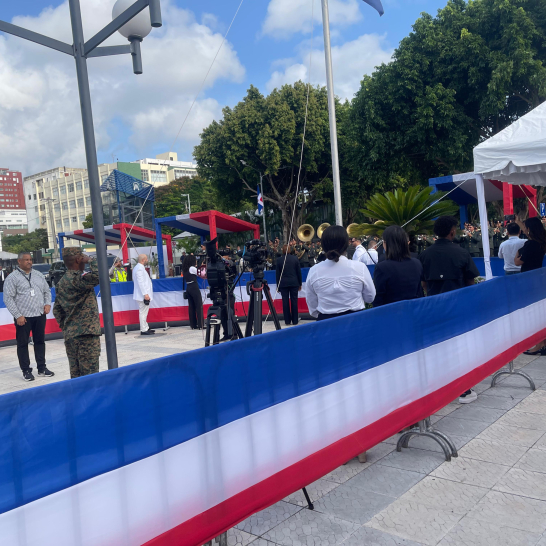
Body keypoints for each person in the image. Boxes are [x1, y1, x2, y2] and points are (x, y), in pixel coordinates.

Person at [420, 216, 480, 403]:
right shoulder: (461, 252)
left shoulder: (425, 254)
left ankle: (440, 385)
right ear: (452, 232)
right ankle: (463, 389)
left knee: (439, 346)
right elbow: (471, 281)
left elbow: (423, 282)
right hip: (458, 306)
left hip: (434, 306)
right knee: (460, 346)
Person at [3, 251, 55, 382]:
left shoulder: (38, 275)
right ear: (19, 262)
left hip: (39, 314)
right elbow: (8, 299)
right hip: (23, 317)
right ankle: (26, 370)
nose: (29, 262)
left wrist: (48, 304)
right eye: (26, 260)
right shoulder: (12, 278)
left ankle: (42, 368)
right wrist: (17, 315)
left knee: (39, 342)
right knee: (22, 344)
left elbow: (46, 291)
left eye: (30, 259)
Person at [306, 226, 375, 320]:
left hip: (326, 323)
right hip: (356, 322)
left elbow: (312, 305)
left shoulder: (314, 271)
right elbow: (370, 297)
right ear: (346, 244)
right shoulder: (360, 267)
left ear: (324, 245)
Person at [53, 248, 101, 378]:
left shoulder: (61, 282)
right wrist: (92, 260)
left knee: (76, 376)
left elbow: (57, 309)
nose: (85, 261)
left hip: (71, 335)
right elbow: (99, 275)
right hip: (87, 334)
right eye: (83, 257)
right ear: (78, 259)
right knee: (90, 376)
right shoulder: (78, 279)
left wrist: (67, 327)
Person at [373, 226, 423, 307]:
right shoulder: (417, 263)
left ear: (387, 243)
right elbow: (419, 291)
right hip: (413, 311)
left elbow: (378, 298)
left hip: (391, 313)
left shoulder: (382, 267)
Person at [276, 245, 302, 326]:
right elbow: (298, 272)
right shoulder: (295, 258)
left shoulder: (279, 260)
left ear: (282, 251)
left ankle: (287, 320)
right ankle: (295, 320)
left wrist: (278, 285)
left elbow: (277, 274)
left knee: (285, 302)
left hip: (283, 283)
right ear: (290, 250)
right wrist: (300, 283)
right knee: (294, 301)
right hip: (294, 282)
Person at [133, 254, 155, 335]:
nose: (147, 260)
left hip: (141, 294)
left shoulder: (138, 268)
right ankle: (143, 329)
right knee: (143, 312)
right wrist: (145, 294)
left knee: (144, 312)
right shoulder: (139, 269)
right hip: (142, 295)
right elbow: (141, 282)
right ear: (143, 260)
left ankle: (146, 327)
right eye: (146, 259)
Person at [182, 255, 204, 330]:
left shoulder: (185, 269)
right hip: (194, 286)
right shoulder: (192, 268)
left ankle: (193, 325)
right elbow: (201, 273)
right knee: (199, 305)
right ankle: (201, 324)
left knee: (191, 307)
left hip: (188, 287)